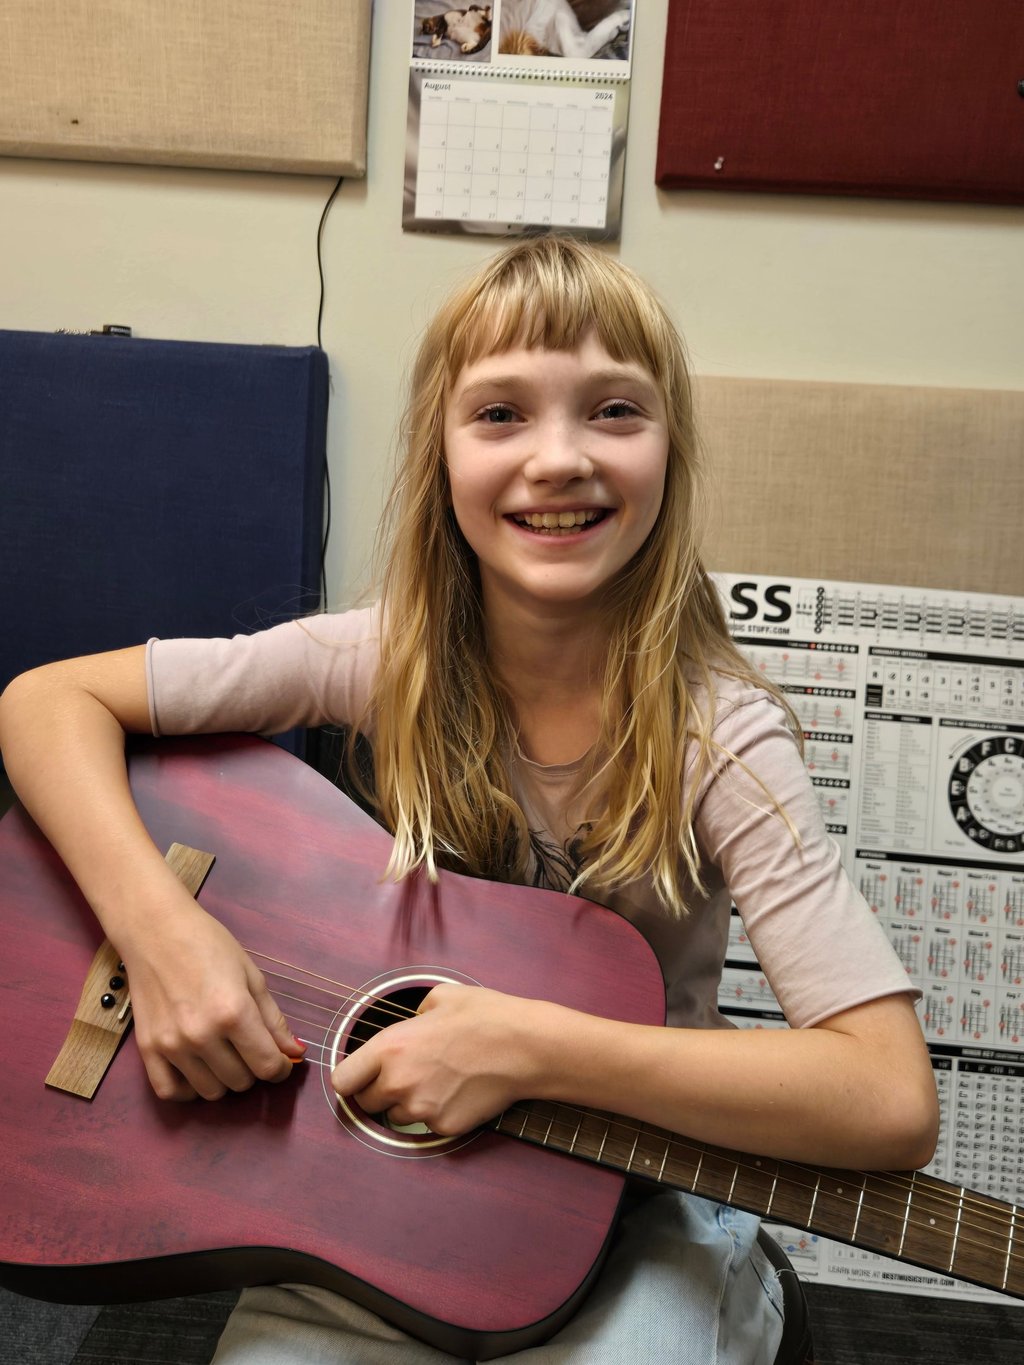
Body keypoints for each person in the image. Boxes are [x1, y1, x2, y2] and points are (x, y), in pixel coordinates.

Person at [0, 236, 938, 1364]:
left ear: (670, 451)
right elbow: (47, 701)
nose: (559, 458)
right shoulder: (380, 659)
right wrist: (162, 935)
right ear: (439, 452)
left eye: (614, 412)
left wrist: (527, 1045)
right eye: (500, 414)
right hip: (386, 1177)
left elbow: (888, 1096)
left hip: (643, 1190)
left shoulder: (722, 740)